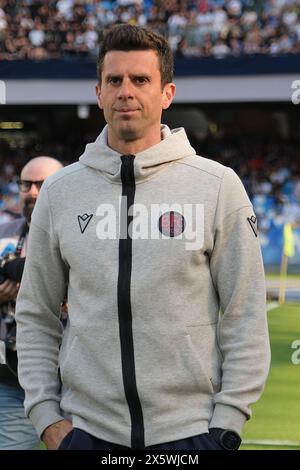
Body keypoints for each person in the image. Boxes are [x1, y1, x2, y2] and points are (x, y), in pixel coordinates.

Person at [15, 25, 270, 451]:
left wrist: (226, 425)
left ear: (167, 93)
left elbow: (245, 313)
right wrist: (47, 418)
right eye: (114, 80)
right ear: (98, 92)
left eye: (140, 80)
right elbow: (36, 313)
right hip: (86, 434)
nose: (125, 91)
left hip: (190, 434)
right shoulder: (60, 192)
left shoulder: (217, 186)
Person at [0, 156, 63, 450]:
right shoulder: (5, 233)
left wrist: (13, 270)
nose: (33, 192)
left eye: (43, 183)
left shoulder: (83, 229)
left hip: (81, 380)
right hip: (13, 380)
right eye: (27, 184)